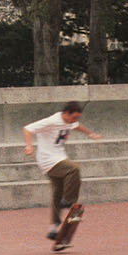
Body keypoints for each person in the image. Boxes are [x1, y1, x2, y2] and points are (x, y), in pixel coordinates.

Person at [23, 102, 101, 240]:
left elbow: (77, 126)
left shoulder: (70, 121)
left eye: (77, 118)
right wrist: (29, 146)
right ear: (66, 113)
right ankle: (70, 200)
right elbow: (28, 129)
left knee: (57, 193)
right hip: (49, 160)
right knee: (74, 169)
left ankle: (53, 228)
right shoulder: (52, 121)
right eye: (73, 117)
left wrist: (90, 134)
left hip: (58, 158)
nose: (74, 121)